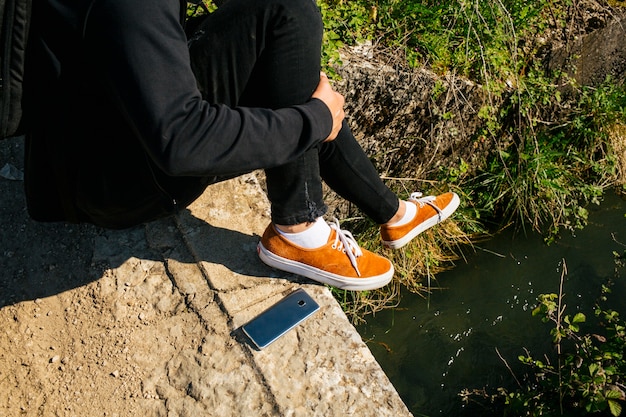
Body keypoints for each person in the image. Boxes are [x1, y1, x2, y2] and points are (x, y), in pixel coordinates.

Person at [24, 0, 459, 291]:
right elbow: (182, 142)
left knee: (278, 25)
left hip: (101, 122)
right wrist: (317, 119)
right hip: (113, 182)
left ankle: (394, 214)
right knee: (291, 16)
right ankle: (299, 230)